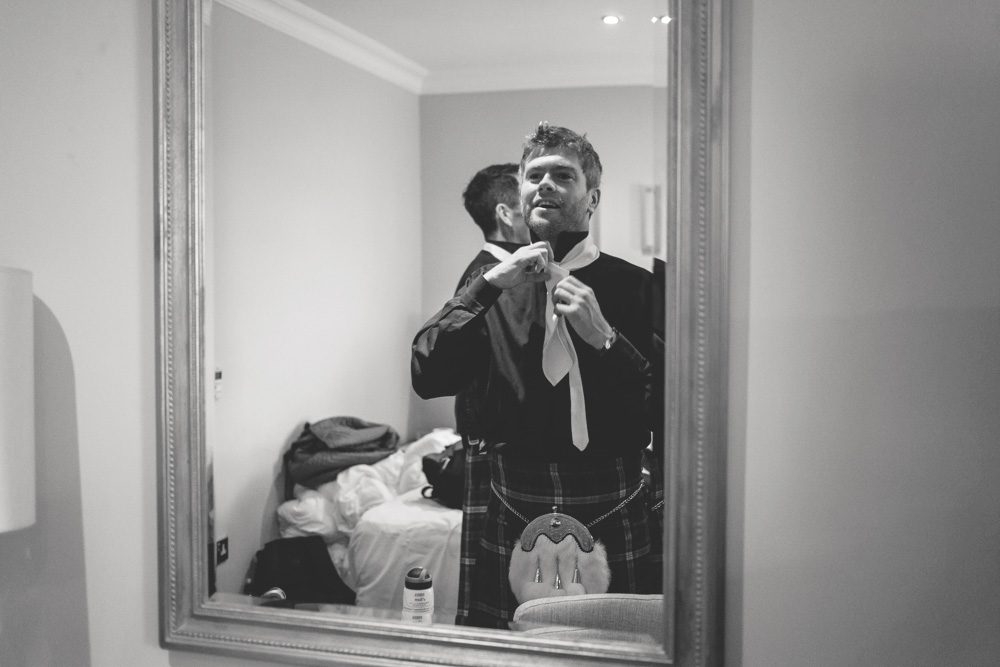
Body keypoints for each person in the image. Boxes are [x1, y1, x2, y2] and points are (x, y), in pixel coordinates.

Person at [412, 123, 664, 629]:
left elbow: (671, 409)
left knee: (618, 652)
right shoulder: (489, 288)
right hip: (512, 499)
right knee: (509, 655)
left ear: (592, 198)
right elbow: (428, 374)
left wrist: (607, 341)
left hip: (613, 498)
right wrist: (485, 288)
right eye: (534, 176)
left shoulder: (640, 287)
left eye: (563, 176)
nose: (544, 184)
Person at [451, 163, 529, 625]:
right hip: (492, 447)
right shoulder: (488, 277)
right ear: (504, 212)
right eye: (527, 198)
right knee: (497, 581)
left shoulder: (503, 271)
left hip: (491, 440)